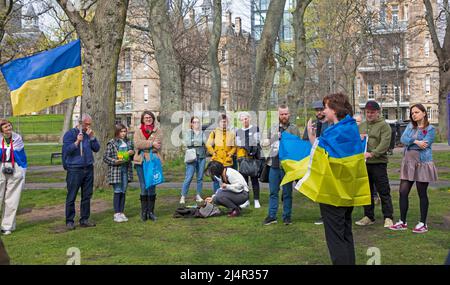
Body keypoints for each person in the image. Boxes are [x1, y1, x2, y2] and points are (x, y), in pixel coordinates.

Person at [305, 93, 357, 265]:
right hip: (347, 191)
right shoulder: (350, 128)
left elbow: (322, 160)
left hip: (333, 193)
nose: (323, 111)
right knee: (345, 234)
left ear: (334, 110)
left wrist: (313, 139)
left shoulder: (334, 133)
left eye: (326, 108)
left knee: (335, 239)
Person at [389, 104, 438, 233]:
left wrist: (411, 143)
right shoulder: (410, 126)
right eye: (412, 113)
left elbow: (426, 145)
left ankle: (423, 223)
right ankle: (402, 222)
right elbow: (403, 139)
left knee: (422, 193)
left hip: (422, 164)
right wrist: (416, 142)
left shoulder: (431, 129)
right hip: (408, 163)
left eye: (416, 112)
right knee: (402, 192)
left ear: (424, 113)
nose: (413, 115)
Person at [355, 101, 394, 228]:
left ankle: (388, 217)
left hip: (378, 163)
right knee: (366, 191)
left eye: (372, 112)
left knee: (383, 191)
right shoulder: (362, 125)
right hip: (364, 164)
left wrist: (372, 153)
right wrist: (358, 138)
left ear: (378, 112)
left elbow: (385, 144)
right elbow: (355, 142)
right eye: (367, 112)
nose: (369, 114)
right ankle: (368, 216)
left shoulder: (384, 126)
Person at [263, 105, 301, 226]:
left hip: (287, 166)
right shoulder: (273, 128)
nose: (284, 116)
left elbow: (297, 147)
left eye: (286, 114)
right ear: (278, 115)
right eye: (281, 114)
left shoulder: (294, 129)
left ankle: (287, 216)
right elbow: (265, 145)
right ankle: (272, 215)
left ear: (289, 114)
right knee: (273, 192)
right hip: (274, 164)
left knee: (287, 193)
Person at [62, 114, 100, 230]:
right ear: (80, 123)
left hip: (88, 168)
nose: (88, 126)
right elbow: (67, 150)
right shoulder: (70, 134)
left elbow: (96, 148)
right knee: (72, 195)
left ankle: (84, 219)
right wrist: (77, 142)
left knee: (87, 195)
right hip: (75, 169)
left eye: (89, 124)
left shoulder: (89, 134)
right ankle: (69, 220)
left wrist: (92, 137)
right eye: (86, 124)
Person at [303, 100, 331, 225]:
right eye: (317, 110)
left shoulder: (330, 123)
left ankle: (330, 215)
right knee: (320, 190)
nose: (319, 112)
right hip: (315, 160)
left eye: (321, 109)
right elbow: (304, 140)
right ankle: (323, 215)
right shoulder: (312, 123)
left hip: (328, 159)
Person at [133, 111, 162, 222]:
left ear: (153, 119)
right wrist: (151, 144)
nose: (148, 119)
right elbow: (137, 144)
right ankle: (144, 212)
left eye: (150, 117)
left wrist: (145, 145)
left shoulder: (157, 130)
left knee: (152, 185)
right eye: (146, 117)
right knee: (143, 185)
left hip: (153, 160)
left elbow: (158, 146)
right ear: (142, 119)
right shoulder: (138, 130)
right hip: (140, 161)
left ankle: (151, 212)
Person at [0, 119, 27, 235]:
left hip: (15, 167)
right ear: (1, 130)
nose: (9, 128)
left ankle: (7, 226)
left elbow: (19, 154)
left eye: (9, 126)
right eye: (6, 127)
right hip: (1, 166)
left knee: (12, 198)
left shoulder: (17, 138)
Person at [103, 123, 134, 223]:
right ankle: (116, 213)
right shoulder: (112, 143)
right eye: (121, 131)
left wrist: (131, 153)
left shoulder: (128, 142)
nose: (123, 133)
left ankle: (121, 212)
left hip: (125, 169)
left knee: (123, 191)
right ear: (117, 132)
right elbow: (106, 157)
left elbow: (132, 156)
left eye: (125, 131)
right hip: (116, 169)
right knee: (117, 190)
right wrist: (115, 161)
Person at [236, 112, 262, 209]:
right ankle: (246, 200)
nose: (244, 120)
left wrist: (247, 142)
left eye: (246, 118)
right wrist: (248, 141)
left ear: (249, 118)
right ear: (240, 121)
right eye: (242, 119)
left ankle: (256, 200)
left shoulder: (255, 129)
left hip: (253, 158)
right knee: (244, 181)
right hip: (242, 159)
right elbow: (239, 143)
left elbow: (257, 141)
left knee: (254, 180)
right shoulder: (238, 131)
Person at [206, 113, 237, 193]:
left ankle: (227, 196)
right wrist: (213, 153)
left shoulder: (231, 133)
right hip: (217, 160)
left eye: (225, 121)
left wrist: (230, 154)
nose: (224, 123)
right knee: (216, 179)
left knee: (227, 179)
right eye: (222, 121)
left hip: (227, 161)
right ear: (219, 122)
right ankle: (216, 196)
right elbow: (208, 144)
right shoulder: (214, 133)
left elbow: (234, 147)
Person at [180, 116, 207, 205]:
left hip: (202, 156)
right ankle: (183, 196)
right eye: (194, 122)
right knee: (189, 177)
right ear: (191, 124)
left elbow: (205, 142)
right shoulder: (188, 132)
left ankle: (198, 195)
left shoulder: (202, 133)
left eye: (198, 122)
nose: (196, 124)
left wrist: (194, 141)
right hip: (191, 157)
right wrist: (199, 142)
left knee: (200, 178)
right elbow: (188, 143)